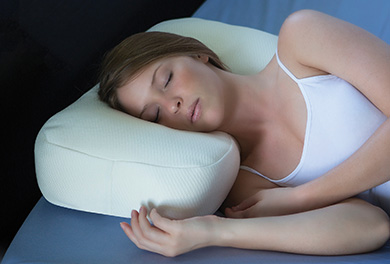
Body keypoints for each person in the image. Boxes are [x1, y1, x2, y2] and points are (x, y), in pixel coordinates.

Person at [98, 10, 390, 257]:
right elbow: (371, 225)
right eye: (155, 115)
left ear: (197, 53)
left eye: (167, 79)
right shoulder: (243, 182)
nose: (171, 104)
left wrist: (300, 198)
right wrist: (214, 231)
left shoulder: (302, 38)